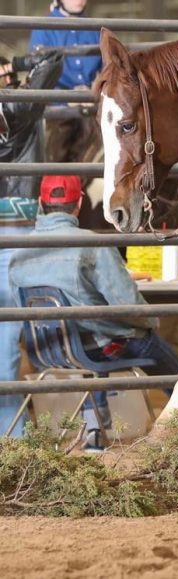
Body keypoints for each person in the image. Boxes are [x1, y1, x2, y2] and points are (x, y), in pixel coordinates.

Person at [9, 175, 178, 447]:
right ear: (79, 203)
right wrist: (150, 321)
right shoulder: (91, 245)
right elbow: (126, 301)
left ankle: (95, 433)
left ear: (40, 202)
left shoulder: (18, 253)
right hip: (99, 347)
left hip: (48, 349)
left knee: (109, 344)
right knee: (155, 349)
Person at [0, 51, 63, 437]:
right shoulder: (13, 107)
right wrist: (18, 63)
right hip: (13, 225)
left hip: (12, 224)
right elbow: (52, 61)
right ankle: (11, 434)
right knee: (6, 335)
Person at [29, 0, 102, 165]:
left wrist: (94, 91)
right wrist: (65, 99)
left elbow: (109, 69)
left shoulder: (96, 28)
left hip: (92, 104)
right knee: (56, 147)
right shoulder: (44, 29)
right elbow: (37, 78)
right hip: (58, 107)